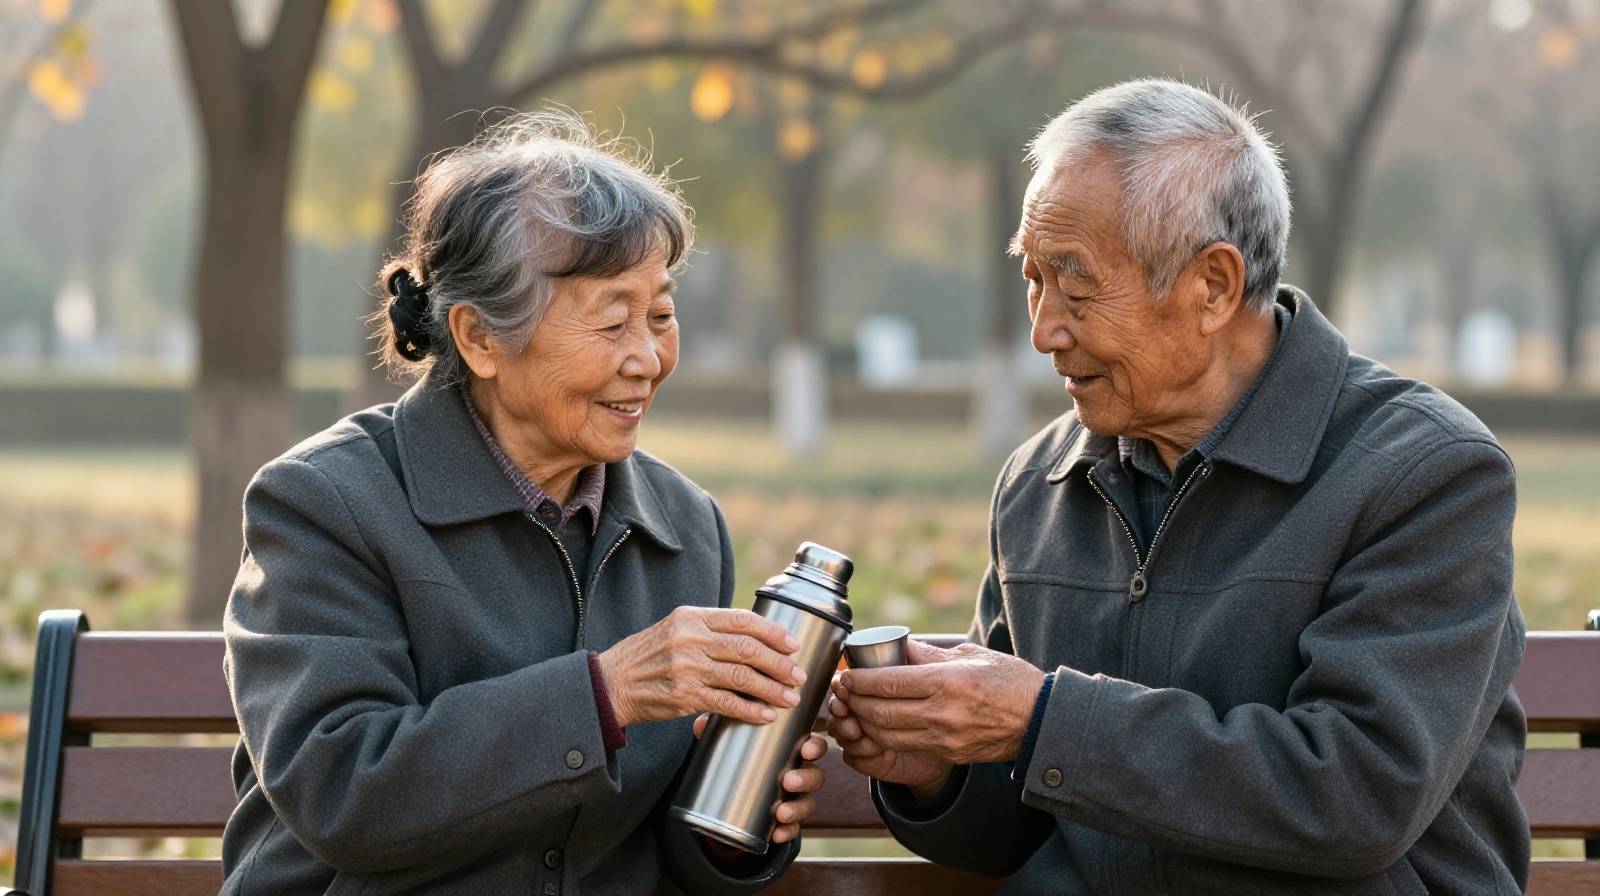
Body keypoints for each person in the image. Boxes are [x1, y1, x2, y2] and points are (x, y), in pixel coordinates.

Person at [828, 79, 1527, 894]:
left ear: (1214, 287)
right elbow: (1024, 827)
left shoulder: (1426, 473)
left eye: (1076, 283)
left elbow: (1356, 796)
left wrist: (1041, 719)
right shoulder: (1039, 483)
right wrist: (936, 771)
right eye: (1032, 277)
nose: (1043, 329)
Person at [221, 112, 827, 896]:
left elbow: (652, 857)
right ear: (478, 338)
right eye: (612, 320)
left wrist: (736, 823)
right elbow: (343, 792)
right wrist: (607, 695)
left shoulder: (684, 529)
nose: (647, 358)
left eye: (662, 315)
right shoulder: (325, 503)